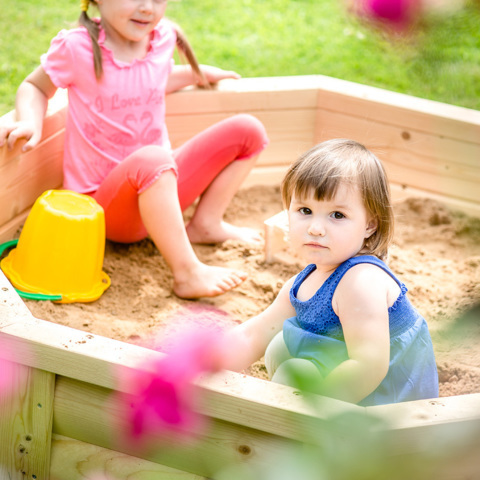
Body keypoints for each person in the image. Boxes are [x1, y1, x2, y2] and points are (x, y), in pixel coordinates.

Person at [0, 0, 268, 299]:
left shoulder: (162, 37)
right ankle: (187, 273)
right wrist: (31, 123)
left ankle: (205, 223)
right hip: (105, 207)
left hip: (163, 184)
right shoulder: (78, 48)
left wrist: (196, 74)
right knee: (154, 159)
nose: (147, 8)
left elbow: (150, 81)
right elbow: (35, 86)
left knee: (248, 130)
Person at [225, 139, 439, 406]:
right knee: (279, 344)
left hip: (390, 404)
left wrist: (317, 412)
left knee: (294, 373)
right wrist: (207, 365)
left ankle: (290, 425)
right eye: (305, 210)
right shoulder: (304, 281)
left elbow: (368, 366)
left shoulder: (360, 281)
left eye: (337, 215)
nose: (316, 227)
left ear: (370, 225)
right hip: (345, 368)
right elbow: (254, 333)